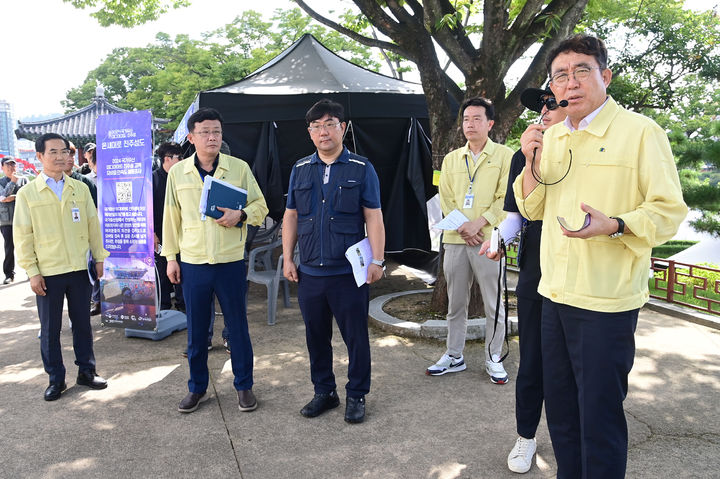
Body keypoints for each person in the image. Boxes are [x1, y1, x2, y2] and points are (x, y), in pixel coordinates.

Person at [514, 34, 687, 478]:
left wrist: (615, 224)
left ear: (604, 76)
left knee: (600, 419)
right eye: (560, 76)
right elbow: (531, 208)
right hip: (553, 294)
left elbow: (668, 212)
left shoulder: (641, 132)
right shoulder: (551, 139)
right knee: (563, 417)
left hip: (605, 304)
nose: (569, 83)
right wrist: (530, 159)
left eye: (581, 71)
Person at [282, 98, 385, 424]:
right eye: (316, 126)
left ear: (343, 128)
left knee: (355, 336)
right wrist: (287, 258)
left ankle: (357, 394)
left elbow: (374, 216)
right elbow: (291, 216)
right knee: (316, 337)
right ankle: (324, 391)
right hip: (310, 271)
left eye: (330, 124)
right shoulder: (300, 169)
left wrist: (378, 260)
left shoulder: (360, 168)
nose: (323, 131)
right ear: (309, 132)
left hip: (348, 273)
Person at [480, 87, 566, 474]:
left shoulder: (590, 149)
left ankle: (577, 436)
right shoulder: (523, 153)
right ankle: (526, 437)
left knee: (577, 363)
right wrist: (498, 238)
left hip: (583, 268)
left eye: (554, 103)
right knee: (532, 358)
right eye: (542, 105)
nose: (545, 111)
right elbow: (516, 214)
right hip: (535, 267)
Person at [162, 107, 268, 414]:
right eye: (206, 132)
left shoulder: (238, 168)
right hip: (193, 262)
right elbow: (171, 219)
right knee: (196, 331)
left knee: (237, 327)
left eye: (217, 132)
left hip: (230, 261)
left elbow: (260, 205)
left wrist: (242, 215)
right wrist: (171, 258)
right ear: (191, 137)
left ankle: (244, 386)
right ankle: (197, 388)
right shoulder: (178, 173)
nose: (212, 137)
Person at [13, 133, 109, 401]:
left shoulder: (80, 189)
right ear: (40, 157)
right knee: (50, 329)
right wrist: (32, 271)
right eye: (53, 152)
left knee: (82, 324)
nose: (60, 157)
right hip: (48, 272)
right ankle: (56, 379)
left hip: (79, 268)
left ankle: (87, 372)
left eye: (64, 151)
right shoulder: (27, 193)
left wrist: (99, 258)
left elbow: (93, 225)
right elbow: (22, 236)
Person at [427, 97, 512, 384]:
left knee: (493, 303)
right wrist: (464, 226)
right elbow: (446, 198)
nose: (470, 124)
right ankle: (454, 355)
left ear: (490, 123)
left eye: (477, 118)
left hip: (489, 240)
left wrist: (479, 223)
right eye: (466, 119)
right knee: (455, 302)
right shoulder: (451, 158)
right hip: (455, 238)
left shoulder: (505, 156)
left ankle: (494, 356)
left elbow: (506, 198)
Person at [1, 157, 27, 284]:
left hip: (24, 219)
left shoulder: (24, 180)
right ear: (2, 168)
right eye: (8, 165)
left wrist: (15, 196)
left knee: (28, 245)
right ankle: (9, 274)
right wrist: (13, 182)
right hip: (6, 221)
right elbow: (3, 196)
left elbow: (28, 196)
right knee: (9, 248)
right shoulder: (1, 182)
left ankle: (31, 272)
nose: (11, 168)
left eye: (13, 165)